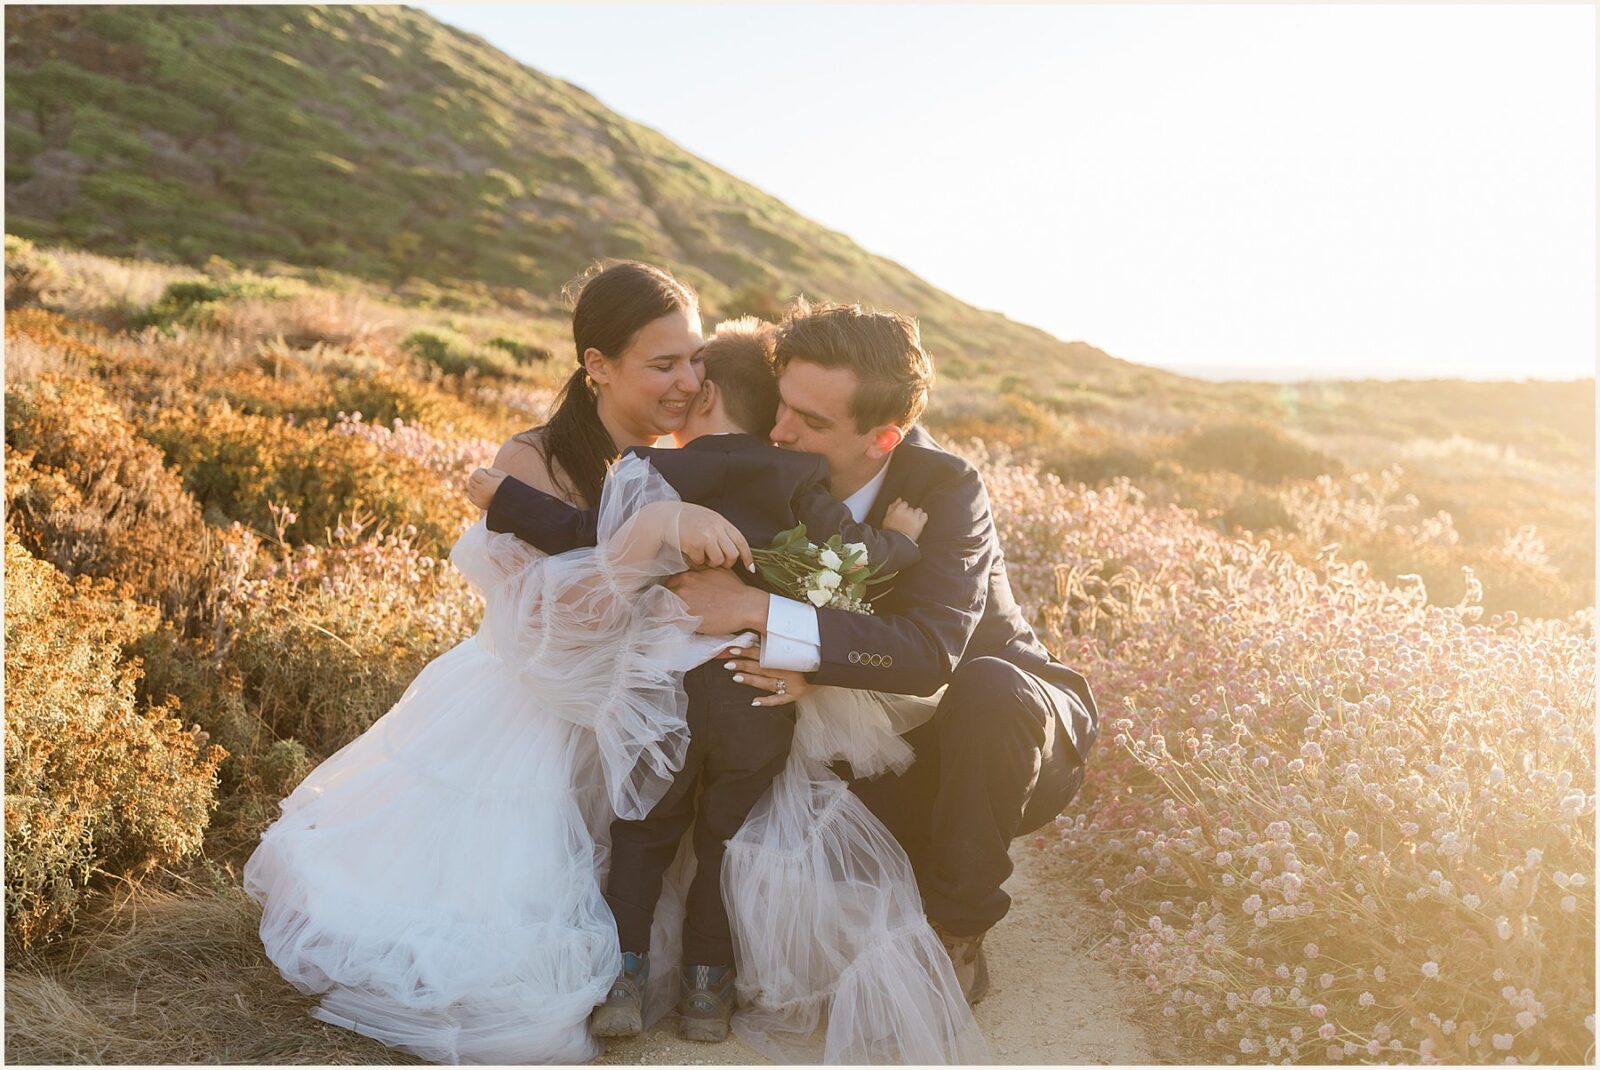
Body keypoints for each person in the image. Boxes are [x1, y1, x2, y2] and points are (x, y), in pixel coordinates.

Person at [244, 263, 984, 1065]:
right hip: (551, 712)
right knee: (535, 934)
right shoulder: (544, 459)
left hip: (666, 715)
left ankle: (699, 962)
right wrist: (650, 529)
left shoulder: (696, 453)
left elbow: (758, 573)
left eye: (697, 361)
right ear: (598, 365)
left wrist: (766, 624)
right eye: (664, 365)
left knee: (712, 837)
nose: (690, 381)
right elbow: (552, 635)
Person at [466, 317, 929, 1042]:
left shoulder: (657, 473)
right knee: (727, 839)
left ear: (706, 394)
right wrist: (900, 536)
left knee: (644, 833)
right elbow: (856, 554)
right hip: (752, 694)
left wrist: (503, 497)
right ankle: (707, 997)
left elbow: (581, 536)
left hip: (668, 694)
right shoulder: (800, 477)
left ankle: (623, 981)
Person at [661, 299, 1101, 1005]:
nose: (779, 430)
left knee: (990, 689)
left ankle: (959, 929)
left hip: (1002, 735)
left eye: (811, 422)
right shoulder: (770, 458)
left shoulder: (947, 488)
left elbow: (930, 653)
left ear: (884, 437)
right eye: (783, 405)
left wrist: (759, 611)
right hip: (867, 745)